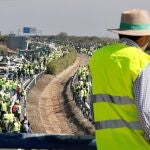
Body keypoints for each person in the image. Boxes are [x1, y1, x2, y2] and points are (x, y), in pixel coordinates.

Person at [89, 9, 150, 149]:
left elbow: (93, 104)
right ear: (143, 38)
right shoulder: (142, 62)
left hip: (105, 145)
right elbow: (147, 112)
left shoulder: (98, 58)